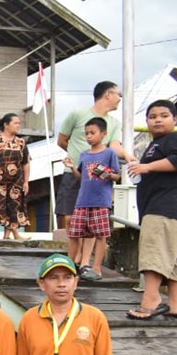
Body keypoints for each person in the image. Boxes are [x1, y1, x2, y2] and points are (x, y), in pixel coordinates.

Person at [57, 81, 136, 269]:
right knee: (70, 219)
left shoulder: (114, 123)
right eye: (118, 94)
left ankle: (84, 260)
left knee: (92, 223)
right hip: (74, 174)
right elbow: (62, 140)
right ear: (108, 94)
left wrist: (128, 156)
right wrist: (81, 159)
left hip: (97, 181)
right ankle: (75, 256)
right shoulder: (77, 114)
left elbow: (114, 146)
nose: (120, 99)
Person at [125, 99, 177, 320]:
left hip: (166, 206)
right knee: (175, 256)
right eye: (152, 117)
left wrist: (147, 166)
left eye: (164, 116)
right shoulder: (157, 144)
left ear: (175, 119)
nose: (158, 120)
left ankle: (150, 299)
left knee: (153, 251)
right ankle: (175, 305)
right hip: (170, 207)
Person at [62, 118, 121, 282]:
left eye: (92, 133)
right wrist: (72, 167)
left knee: (100, 235)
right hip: (82, 200)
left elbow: (117, 175)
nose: (88, 136)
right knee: (74, 234)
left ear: (103, 134)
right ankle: (70, 266)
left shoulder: (109, 153)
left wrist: (107, 174)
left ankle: (96, 268)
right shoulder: (84, 155)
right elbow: (80, 177)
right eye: (86, 133)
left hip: (101, 201)